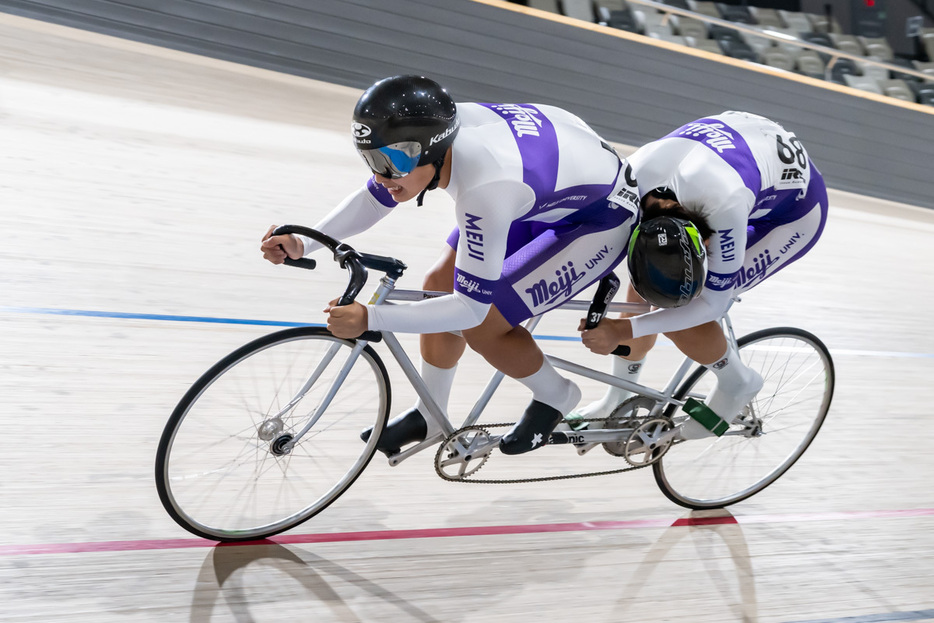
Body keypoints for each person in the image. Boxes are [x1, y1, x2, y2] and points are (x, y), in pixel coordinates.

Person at [261, 75, 641, 455]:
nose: (380, 175)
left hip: (600, 219)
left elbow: (470, 309)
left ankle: (558, 395)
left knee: (484, 324)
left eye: (391, 162)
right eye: (371, 159)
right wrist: (303, 241)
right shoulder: (435, 136)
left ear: (432, 150)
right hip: (543, 185)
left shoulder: (485, 188)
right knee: (437, 283)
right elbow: (375, 198)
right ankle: (430, 413)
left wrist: (370, 318)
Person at [577, 110, 829, 438]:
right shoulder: (631, 180)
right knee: (646, 274)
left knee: (680, 303)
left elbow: (712, 305)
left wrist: (623, 329)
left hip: (793, 214)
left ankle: (738, 381)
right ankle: (618, 395)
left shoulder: (723, 203)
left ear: (706, 239)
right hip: (742, 157)